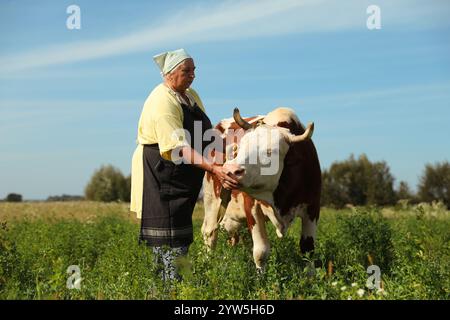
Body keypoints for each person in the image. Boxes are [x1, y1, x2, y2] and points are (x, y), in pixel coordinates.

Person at [130, 48, 240, 282]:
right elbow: (177, 147)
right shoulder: (162, 102)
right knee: (166, 236)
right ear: (169, 73)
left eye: (194, 70)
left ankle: (175, 285)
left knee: (179, 232)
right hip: (162, 171)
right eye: (186, 70)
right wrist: (213, 169)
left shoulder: (191, 95)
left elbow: (205, 133)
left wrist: (235, 144)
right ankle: (168, 288)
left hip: (182, 174)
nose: (192, 75)